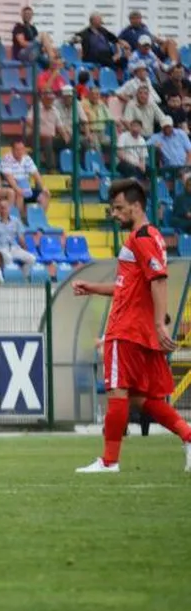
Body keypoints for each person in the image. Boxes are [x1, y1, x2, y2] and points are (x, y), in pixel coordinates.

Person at [73, 179, 191, 474]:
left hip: (126, 328)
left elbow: (158, 279)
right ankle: (189, 436)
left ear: (136, 206)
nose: (114, 214)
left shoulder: (141, 238)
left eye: (119, 208)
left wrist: (160, 323)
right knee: (141, 398)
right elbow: (127, 286)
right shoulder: (152, 236)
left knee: (117, 391)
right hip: (139, 329)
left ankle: (109, 461)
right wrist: (92, 287)